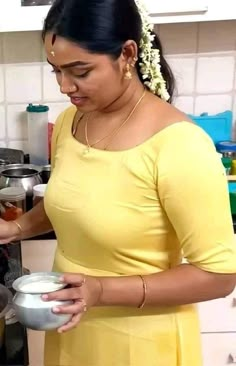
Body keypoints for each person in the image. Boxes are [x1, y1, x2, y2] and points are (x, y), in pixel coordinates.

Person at [1, 0, 236, 365]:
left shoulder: (180, 145)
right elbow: (72, 201)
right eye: (56, 72)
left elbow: (220, 275)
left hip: (140, 343)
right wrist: (15, 228)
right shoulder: (71, 122)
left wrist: (100, 290)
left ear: (127, 54)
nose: (65, 86)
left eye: (79, 71)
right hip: (73, 328)